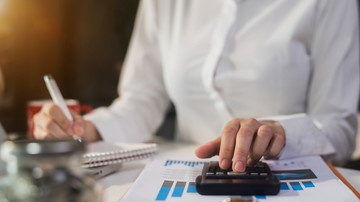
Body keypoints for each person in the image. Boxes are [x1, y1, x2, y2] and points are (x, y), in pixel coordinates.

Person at [33, 0, 359, 172]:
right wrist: (87, 129)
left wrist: (281, 134)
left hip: (286, 184)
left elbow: (340, 127)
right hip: (181, 179)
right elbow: (142, 98)